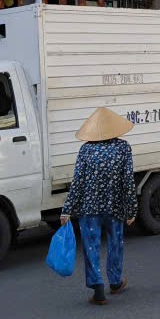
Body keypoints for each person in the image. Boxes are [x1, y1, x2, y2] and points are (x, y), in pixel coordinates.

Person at [60, 107, 137, 305]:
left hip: (89, 208)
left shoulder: (86, 150)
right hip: (115, 206)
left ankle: (98, 289)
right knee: (115, 243)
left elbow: (77, 182)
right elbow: (128, 181)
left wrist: (67, 210)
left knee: (91, 247)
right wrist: (132, 210)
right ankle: (115, 282)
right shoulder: (123, 148)